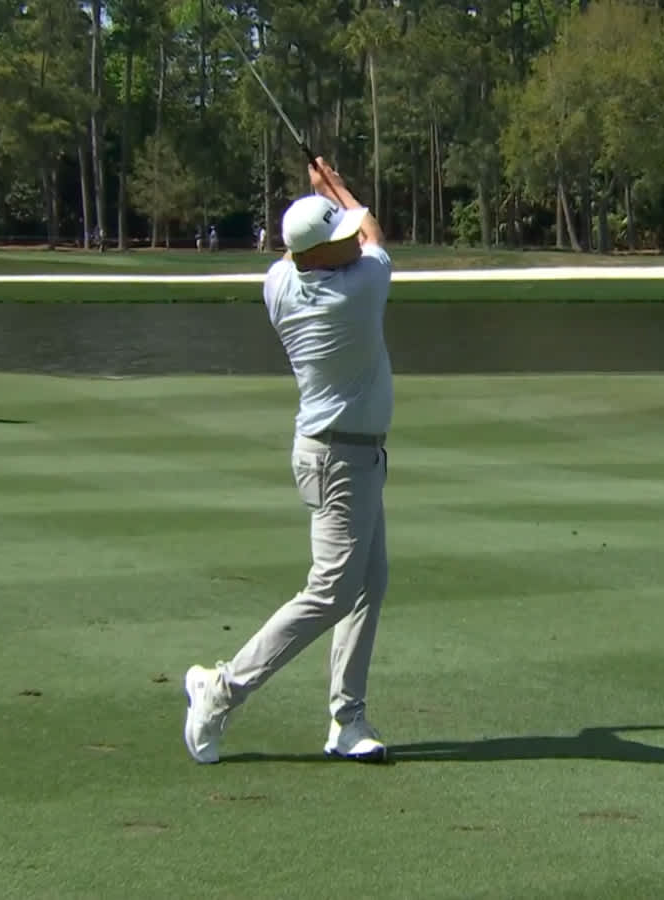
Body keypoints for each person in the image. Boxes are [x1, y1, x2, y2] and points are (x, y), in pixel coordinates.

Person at [182, 157, 393, 765]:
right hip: (340, 459)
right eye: (335, 239)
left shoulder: (279, 282)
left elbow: (319, 244)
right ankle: (221, 689)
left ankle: (347, 720)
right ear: (318, 256)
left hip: (342, 455)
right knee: (331, 591)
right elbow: (373, 235)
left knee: (366, 585)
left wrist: (319, 204)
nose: (349, 240)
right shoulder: (356, 291)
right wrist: (334, 187)